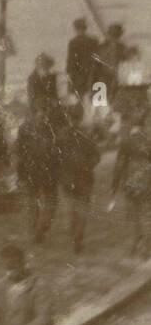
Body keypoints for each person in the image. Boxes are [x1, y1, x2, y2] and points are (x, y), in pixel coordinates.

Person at [15, 99, 62, 242]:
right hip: (44, 170)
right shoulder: (52, 127)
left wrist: (20, 171)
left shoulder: (25, 127)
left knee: (35, 200)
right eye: (46, 110)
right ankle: (40, 227)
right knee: (47, 200)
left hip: (34, 170)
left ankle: (37, 228)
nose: (45, 114)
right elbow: (58, 151)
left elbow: (18, 151)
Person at [59, 103, 101, 254]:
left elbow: (55, 156)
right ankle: (79, 236)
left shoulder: (61, 135)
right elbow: (96, 157)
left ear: (68, 116)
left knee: (71, 208)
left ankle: (74, 232)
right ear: (82, 117)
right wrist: (88, 166)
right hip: (84, 177)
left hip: (67, 178)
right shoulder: (87, 134)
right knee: (83, 208)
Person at [111, 117, 151, 259]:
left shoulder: (126, 142)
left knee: (134, 213)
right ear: (143, 125)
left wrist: (115, 185)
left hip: (131, 181)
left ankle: (136, 244)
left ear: (131, 125)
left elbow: (119, 165)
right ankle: (146, 247)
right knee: (146, 212)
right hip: (146, 180)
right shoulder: (148, 141)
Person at [66, 18, 100, 107]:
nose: (80, 31)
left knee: (88, 97)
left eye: (81, 29)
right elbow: (70, 60)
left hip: (88, 73)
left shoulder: (91, 41)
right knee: (82, 98)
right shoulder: (74, 42)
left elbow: (70, 62)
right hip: (81, 74)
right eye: (78, 29)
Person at [26, 53, 60, 118]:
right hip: (38, 108)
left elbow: (54, 93)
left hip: (51, 106)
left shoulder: (51, 77)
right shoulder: (32, 79)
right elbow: (31, 99)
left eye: (47, 68)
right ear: (38, 67)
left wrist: (54, 101)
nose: (46, 70)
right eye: (43, 68)